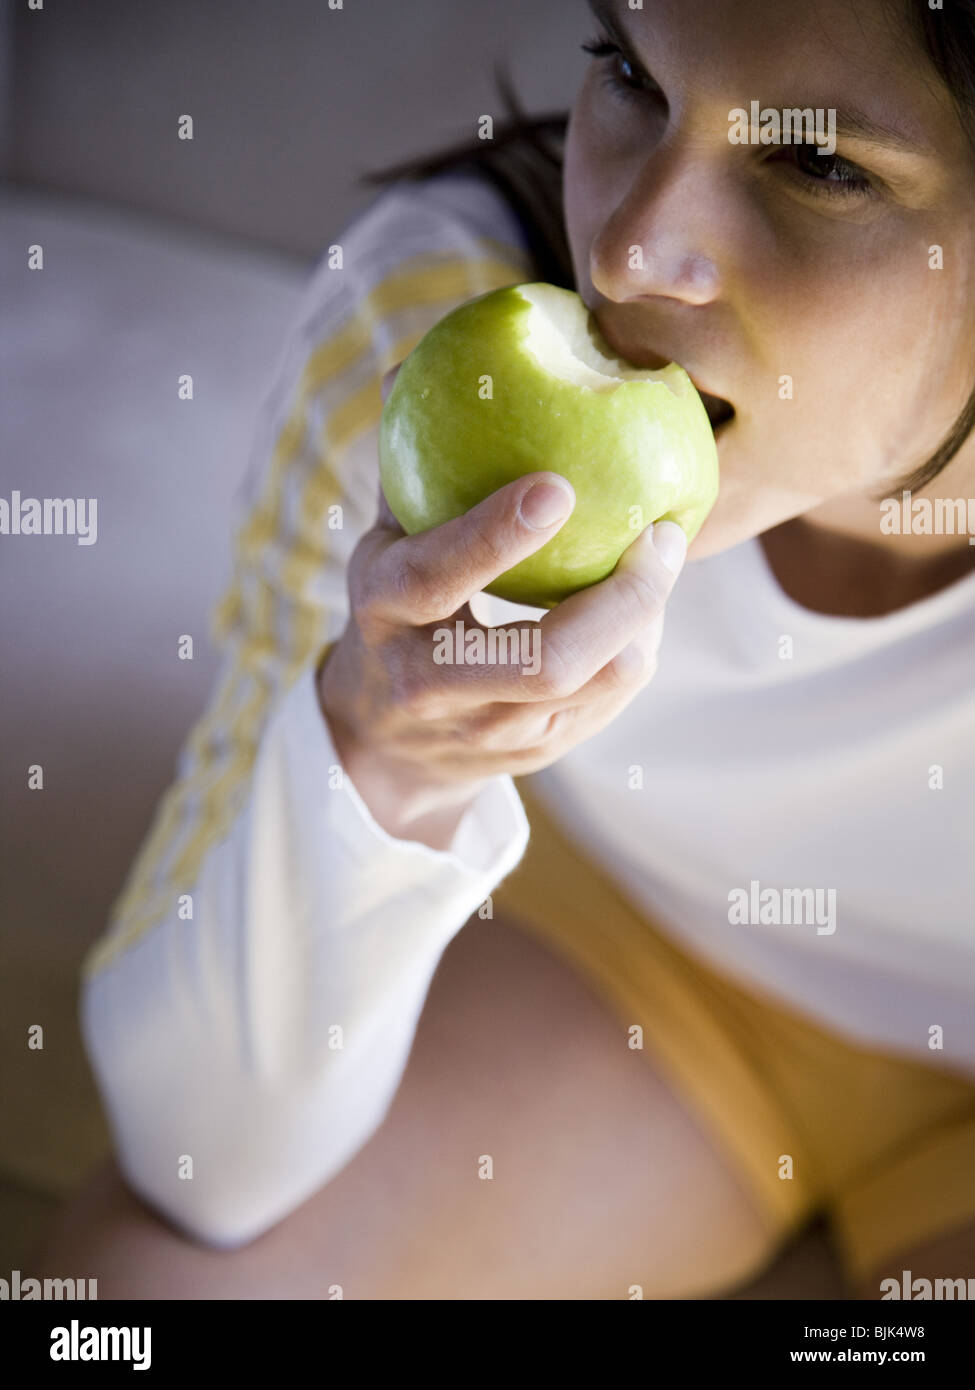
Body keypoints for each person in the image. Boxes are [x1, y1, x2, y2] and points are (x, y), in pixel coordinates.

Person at [36, 0, 975, 1299]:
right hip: (661, 952)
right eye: (632, 75)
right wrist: (378, 766)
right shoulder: (438, 345)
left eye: (819, 163)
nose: (635, 246)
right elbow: (200, 1156)